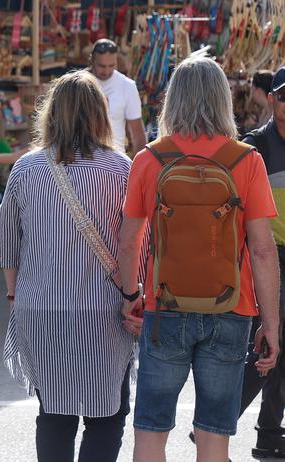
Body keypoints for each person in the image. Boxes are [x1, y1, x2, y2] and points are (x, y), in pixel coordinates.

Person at [116, 55, 281, 462]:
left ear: (173, 102)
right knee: (213, 436)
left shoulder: (149, 159)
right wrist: (271, 325)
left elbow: (129, 239)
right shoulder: (247, 160)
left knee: (151, 432)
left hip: (164, 306)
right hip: (231, 308)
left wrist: (130, 293)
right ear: (222, 100)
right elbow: (262, 250)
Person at [0, 71, 134, 461]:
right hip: (104, 312)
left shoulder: (26, 169)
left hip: (39, 308)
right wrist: (135, 295)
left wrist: (13, 295)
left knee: (53, 414)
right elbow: (136, 244)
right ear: (99, 114)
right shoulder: (122, 170)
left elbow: (7, 247)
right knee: (107, 416)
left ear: (51, 115)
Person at [238, 66, 285, 458]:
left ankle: (269, 434)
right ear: (271, 99)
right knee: (267, 345)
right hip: (268, 256)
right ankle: (216, 421)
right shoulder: (255, 147)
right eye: (283, 96)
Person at [88, 38, 145, 155]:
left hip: (115, 159)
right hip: (82, 159)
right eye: (102, 66)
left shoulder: (127, 86)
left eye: (111, 65)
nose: (107, 71)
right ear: (92, 61)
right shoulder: (78, 84)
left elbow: (137, 134)